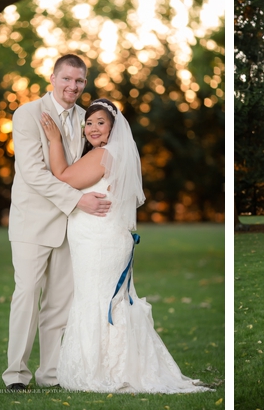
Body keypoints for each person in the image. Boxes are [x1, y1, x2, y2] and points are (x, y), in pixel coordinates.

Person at [39, 98, 209, 393]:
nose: (92, 128)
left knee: (98, 300)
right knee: (108, 300)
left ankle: (104, 369)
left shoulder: (104, 155)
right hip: (103, 239)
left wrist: (54, 139)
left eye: (100, 122)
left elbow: (64, 176)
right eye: (89, 122)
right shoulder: (114, 154)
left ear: (113, 127)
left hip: (99, 243)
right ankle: (117, 365)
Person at [4, 54, 111, 390]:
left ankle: (50, 374)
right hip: (32, 223)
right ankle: (16, 375)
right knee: (27, 296)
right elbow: (33, 173)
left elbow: (87, 168)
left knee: (60, 304)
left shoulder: (86, 118)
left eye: (79, 81)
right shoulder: (27, 114)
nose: (72, 86)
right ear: (52, 78)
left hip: (72, 226)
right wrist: (77, 199)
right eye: (66, 79)